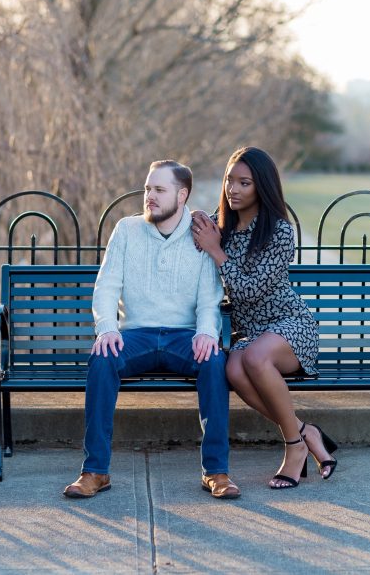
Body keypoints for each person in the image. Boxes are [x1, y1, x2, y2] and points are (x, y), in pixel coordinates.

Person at [64, 160, 239, 500]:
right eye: (148, 189)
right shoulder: (126, 230)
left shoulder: (200, 234)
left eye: (159, 190)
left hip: (183, 338)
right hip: (136, 336)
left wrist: (206, 332)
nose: (150, 197)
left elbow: (209, 297)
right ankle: (95, 471)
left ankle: (216, 472)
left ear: (182, 194)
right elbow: (106, 286)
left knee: (215, 360)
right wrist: (106, 328)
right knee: (102, 358)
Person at [191, 146, 337, 489]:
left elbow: (247, 290)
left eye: (245, 183)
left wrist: (215, 250)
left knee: (255, 358)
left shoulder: (279, 232)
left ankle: (294, 449)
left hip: (291, 327)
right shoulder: (222, 225)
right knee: (233, 369)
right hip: (251, 332)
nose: (234, 189)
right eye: (230, 180)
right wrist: (195, 218)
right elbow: (194, 238)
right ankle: (306, 432)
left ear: (262, 187)